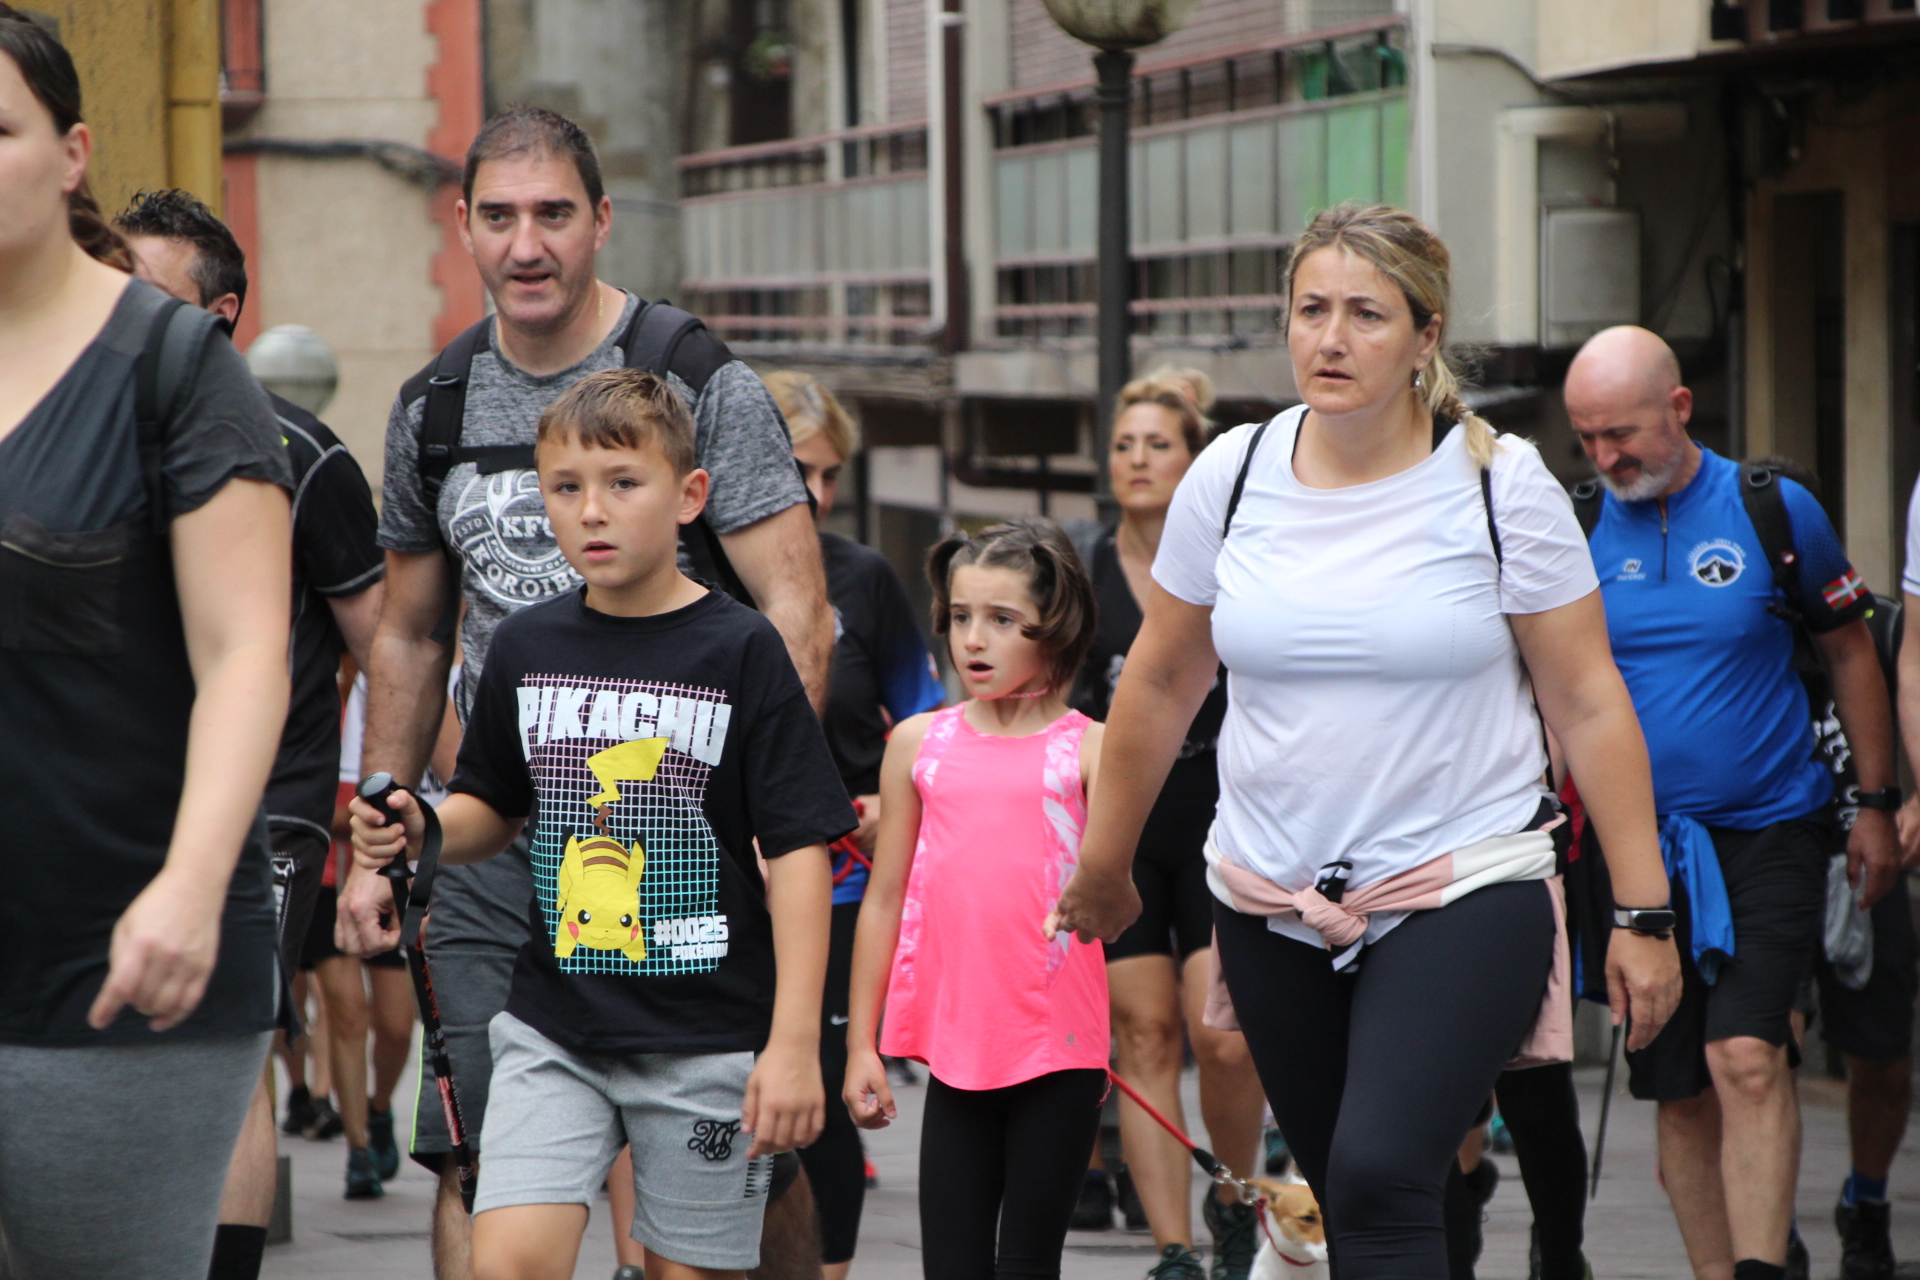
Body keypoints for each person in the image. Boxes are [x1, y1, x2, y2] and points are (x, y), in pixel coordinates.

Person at [1047, 203, 1683, 1280]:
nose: (1331, 338)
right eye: (1311, 310)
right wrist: (1104, 865)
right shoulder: (1232, 474)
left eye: (1366, 314)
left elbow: (1587, 699)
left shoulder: (1499, 482)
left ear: (1426, 335)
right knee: (1352, 1191)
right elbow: (1160, 680)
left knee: (1383, 1174)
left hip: (1462, 884)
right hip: (1270, 896)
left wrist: (1643, 913)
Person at [332, 105, 833, 1280]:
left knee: (741, 1170)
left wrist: (766, 828)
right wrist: (386, 835)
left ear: (601, 220)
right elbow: (410, 631)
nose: (527, 244)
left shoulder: (696, 377)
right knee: (477, 1148)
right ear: (462, 225)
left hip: (683, 832)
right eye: (500, 217)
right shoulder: (436, 404)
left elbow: (796, 611)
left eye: (554, 213)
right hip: (498, 830)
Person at [0, 10, 293, 1278]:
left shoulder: (172, 368)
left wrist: (190, 882)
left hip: (117, 965)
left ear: (71, 154)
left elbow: (247, 653)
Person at [1562, 325, 1899, 1280]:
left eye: (1622, 433)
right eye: (1586, 438)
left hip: (1770, 829)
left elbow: (1849, 652)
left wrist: (1875, 801)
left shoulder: (1773, 508)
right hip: (1635, 850)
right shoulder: (1572, 527)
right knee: (1679, 1089)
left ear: (1680, 408)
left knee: (1747, 1055)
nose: (1605, 457)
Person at [115, 185, 392, 1266]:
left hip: (269, 803)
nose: (121, 307)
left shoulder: (302, 450)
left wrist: (399, 822)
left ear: (219, 313)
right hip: (116, 796)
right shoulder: (80, 425)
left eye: (148, 289)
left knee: (224, 1052)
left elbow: (387, 645)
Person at [844, 519, 1109, 1280]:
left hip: (1060, 1047)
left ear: (1055, 628)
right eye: (960, 616)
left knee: (1027, 1264)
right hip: (957, 1048)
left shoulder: (1092, 748)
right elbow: (884, 899)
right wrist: (862, 1046)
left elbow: (1115, 898)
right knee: (952, 1266)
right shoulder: (918, 743)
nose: (973, 639)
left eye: (1002, 620)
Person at [1068, 369, 1265, 1280]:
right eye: (1124, 445)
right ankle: (1174, 1249)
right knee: (1143, 1035)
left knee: (1222, 1036)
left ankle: (1232, 1197)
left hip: (1220, 822)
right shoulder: (1085, 570)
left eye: (1158, 444)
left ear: (1195, 461)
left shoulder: (1235, 559)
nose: (1138, 460)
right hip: (1123, 827)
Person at [765, 370, 945, 1280]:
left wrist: (889, 806)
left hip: (839, 880)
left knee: (825, 1096)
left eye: (830, 474)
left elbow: (931, 727)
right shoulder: (690, 574)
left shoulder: (865, 578)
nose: (816, 492)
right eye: (797, 469)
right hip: (717, 884)